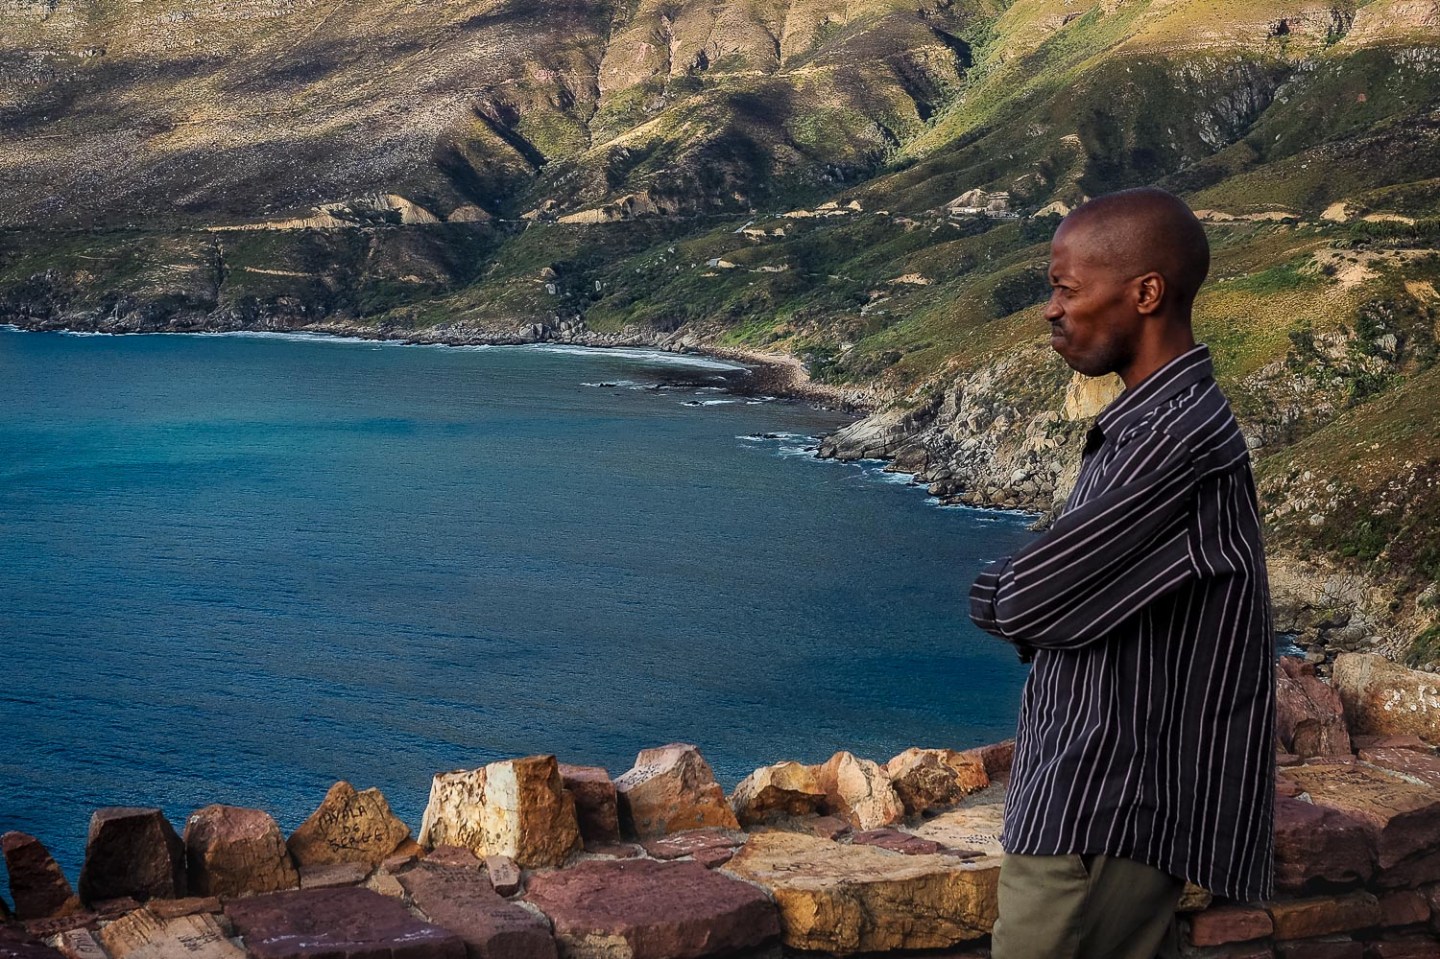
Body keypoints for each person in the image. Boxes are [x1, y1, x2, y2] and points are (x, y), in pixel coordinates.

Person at [969, 187, 1276, 958]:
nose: (1049, 309)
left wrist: (1000, 588)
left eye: (1066, 289)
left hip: (1101, 812)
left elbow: (1032, 598)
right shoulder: (1155, 423)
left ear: (1145, 294)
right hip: (1103, 811)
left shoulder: (1173, 441)